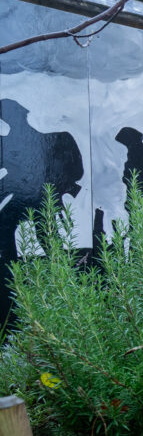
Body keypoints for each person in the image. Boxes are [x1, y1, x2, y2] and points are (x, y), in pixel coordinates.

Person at [0, 99, 84, 327]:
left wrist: (57, 189)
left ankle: (57, 275)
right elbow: (8, 177)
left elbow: (74, 172)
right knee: (7, 226)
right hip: (24, 196)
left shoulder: (54, 139)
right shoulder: (7, 144)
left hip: (41, 197)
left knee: (45, 233)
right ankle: (11, 269)